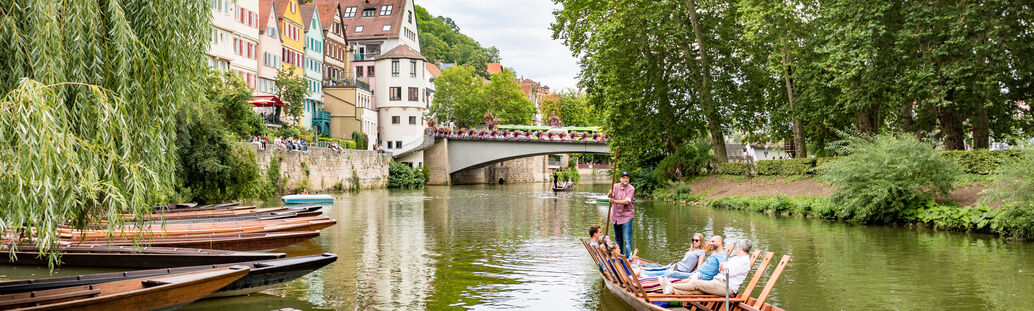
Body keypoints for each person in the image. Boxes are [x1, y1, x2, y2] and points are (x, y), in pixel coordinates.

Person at [663, 239, 752, 296]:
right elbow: (723, 267)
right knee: (696, 291)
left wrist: (724, 268)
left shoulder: (744, 262)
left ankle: (670, 285)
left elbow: (728, 271)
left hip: (726, 287)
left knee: (695, 283)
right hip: (718, 282)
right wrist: (723, 268)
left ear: (740, 248)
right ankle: (673, 291)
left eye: (737, 247)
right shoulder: (736, 258)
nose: (736, 248)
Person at [639, 233, 707, 279]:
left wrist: (693, 276)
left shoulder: (701, 252)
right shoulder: (692, 250)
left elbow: (699, 267)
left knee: (660, 272)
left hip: (681, 271)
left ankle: (640, 274)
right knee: (657, 268)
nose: (694, 242)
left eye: (696, 240)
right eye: (693, 240)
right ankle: (639, 271)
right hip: (676, 266)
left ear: (701, 241)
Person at [608, 172, 636, 258]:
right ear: (620, 179)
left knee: (627, 239)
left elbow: (627, 201)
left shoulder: (631, 188)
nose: (625, 179)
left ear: (629, 180)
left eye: (627, 178)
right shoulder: (615, 186)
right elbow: (610, 196)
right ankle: (619, 256)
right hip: (616, 216)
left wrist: (614, 201)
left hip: (626, 217)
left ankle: (628, 258)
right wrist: (610, 194)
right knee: (618, 239)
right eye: (623, 178)